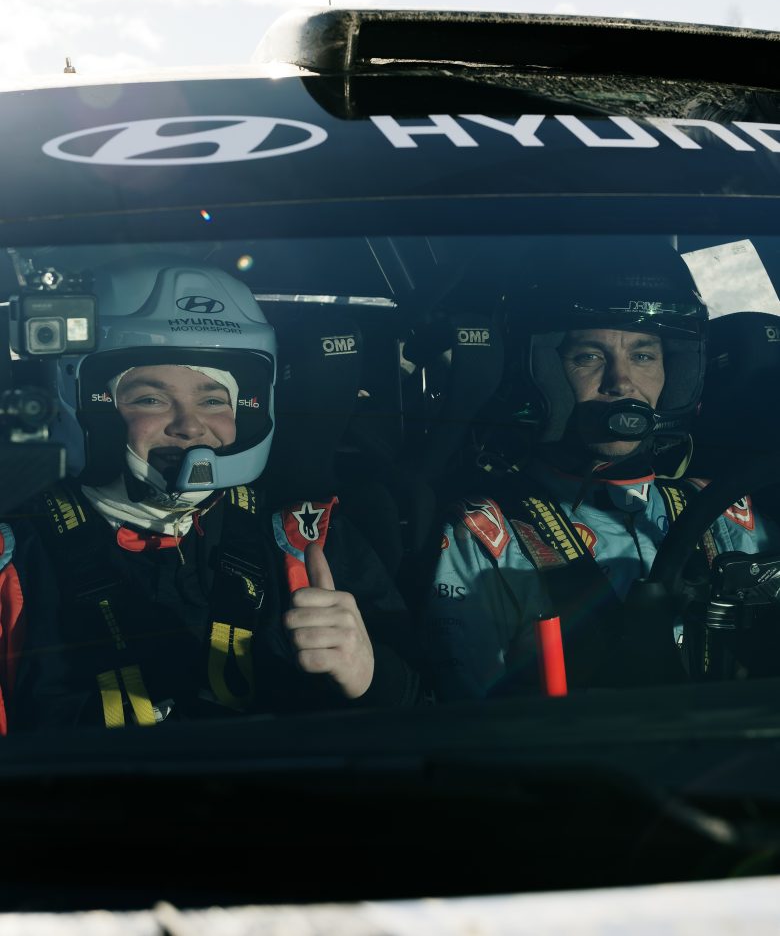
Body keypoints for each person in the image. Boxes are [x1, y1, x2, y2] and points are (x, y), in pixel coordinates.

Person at [5, 264, 420, 730]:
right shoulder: (18, 558)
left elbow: (430, 721)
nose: (189, 426)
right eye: (149, 399)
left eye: (213, 400)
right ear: (87, 406)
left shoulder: (306, 539)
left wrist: (370, 676)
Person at [422, 246, 780, 700]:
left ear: (676, 373)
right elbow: (459, 712)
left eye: (643, 356)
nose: (621, 382)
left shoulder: (723, 511)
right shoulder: (486, 534)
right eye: (589, 356)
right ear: (544, 372)